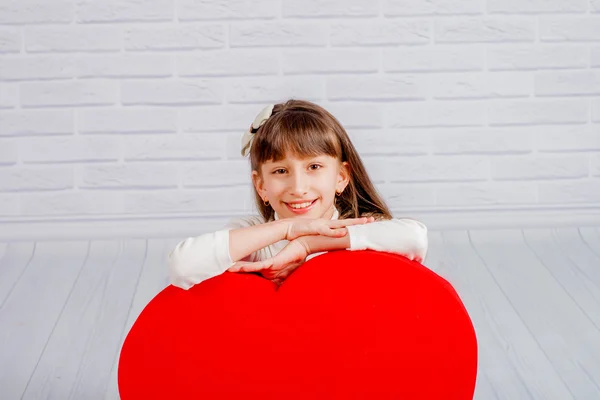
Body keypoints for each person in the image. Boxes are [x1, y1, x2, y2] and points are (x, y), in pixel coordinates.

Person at [168, 99, 428, 290]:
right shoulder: (256, 237)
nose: (298, 187)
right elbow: (182, 266)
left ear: (341, 177)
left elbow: (414, 237)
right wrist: (287, 228)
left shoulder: (360, 227)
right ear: (261, 186)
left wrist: (306, 245)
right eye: (281, 171)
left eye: (314, 167)